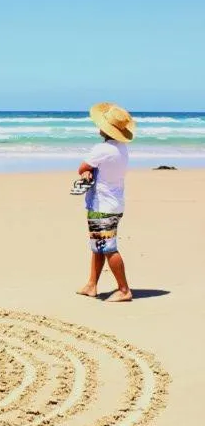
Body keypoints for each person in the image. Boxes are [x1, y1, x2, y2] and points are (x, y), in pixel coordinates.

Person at [76, 102, 136, 303]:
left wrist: (87, 170)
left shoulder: (102, 149)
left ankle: (124, 289)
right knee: (98, 244)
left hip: (102, 205)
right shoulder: (122, 149)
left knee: (108, 247)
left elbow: (82, 166)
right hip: (115, 202)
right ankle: (91, 284)